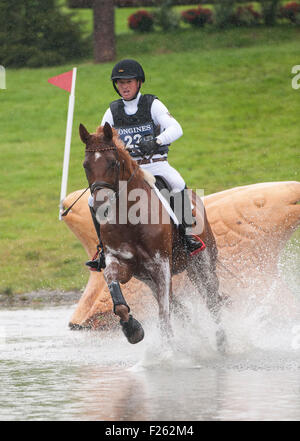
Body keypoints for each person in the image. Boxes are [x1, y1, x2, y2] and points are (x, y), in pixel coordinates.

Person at [86, 59, 203, 272]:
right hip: (129, 171)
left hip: (156, 164)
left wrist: (157, 141)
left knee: (177, 183)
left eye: (128, 81)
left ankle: (188, 237)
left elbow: (176, 129)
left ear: (138, 82)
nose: (124, 86)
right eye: (120, 83)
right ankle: (103, 249)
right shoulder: (112, 110)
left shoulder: (152, 104)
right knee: (92, 199)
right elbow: (103, 139)